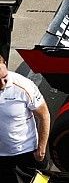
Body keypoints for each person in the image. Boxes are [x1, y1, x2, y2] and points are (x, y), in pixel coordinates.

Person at [0, 55, 51, 183]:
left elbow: (44, 115)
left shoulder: (24, 86)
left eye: (4, 77)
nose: (2, 84)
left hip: (27, 152)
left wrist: (41, 149)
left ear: (5, 64)